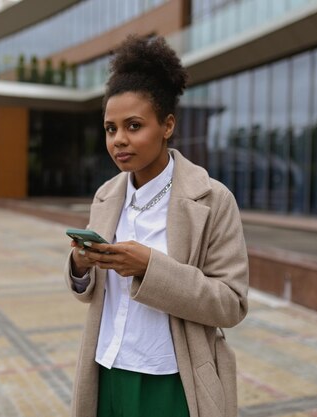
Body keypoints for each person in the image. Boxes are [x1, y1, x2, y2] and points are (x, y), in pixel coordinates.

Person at [64, 35, 249, 417]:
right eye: (110, 129)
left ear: (167, 125)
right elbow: (91, 294)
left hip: (173, 378)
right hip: (106, 369)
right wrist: (81, 267)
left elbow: (231, 303)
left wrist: (151, 267)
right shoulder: (105, 196)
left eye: (133, 125)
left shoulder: (212, 200)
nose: (119, 140)